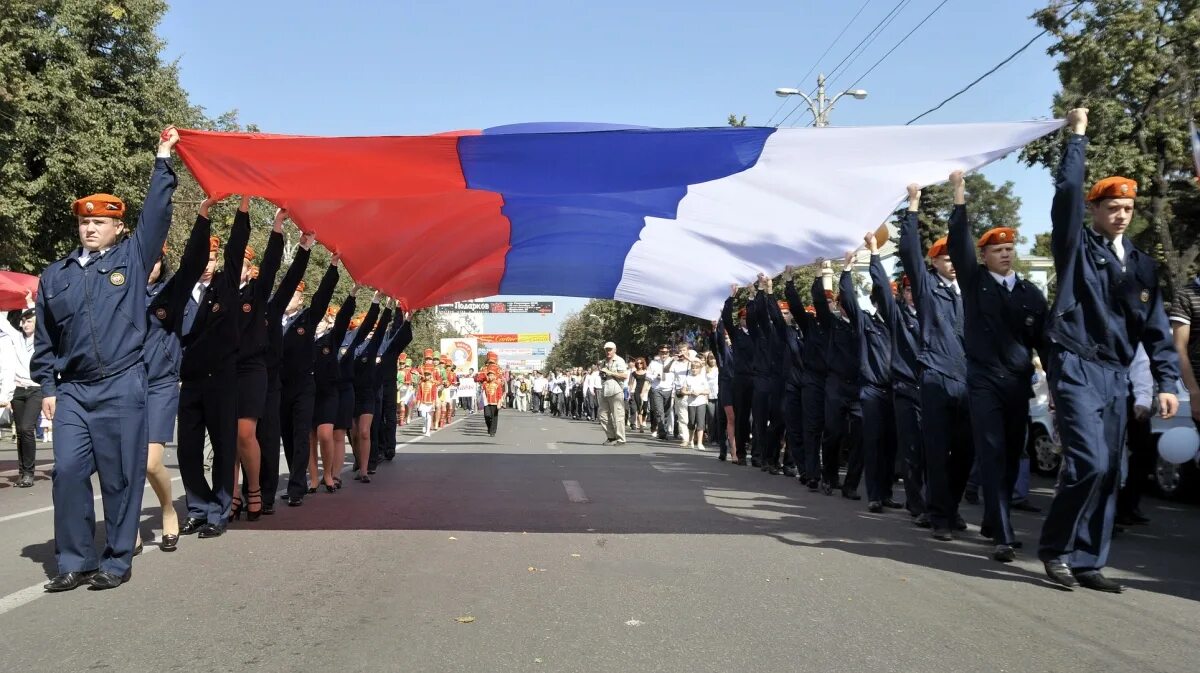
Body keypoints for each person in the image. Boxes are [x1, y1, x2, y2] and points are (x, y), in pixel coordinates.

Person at [32, 127, 179, 592]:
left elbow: (156, 216)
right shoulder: (54, 276)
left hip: (121, 383)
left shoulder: (132, 261)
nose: (90, 228)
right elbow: (45, 341)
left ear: (118, 227)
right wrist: (49, 388)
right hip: (74, 389)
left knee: (120, 477)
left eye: (99, 222)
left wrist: (162, 160)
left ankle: (116, 559)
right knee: (69, 472)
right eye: (84, 222)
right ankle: (74, 560)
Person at [1038, 108, 1179, 593]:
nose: (1120, 215)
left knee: (1111, 471)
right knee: (1088, 462)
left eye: (1127, 208)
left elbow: (1157, 329)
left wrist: (1165, 382)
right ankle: (1055, 549)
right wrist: (1076, 138)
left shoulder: (1141, 265)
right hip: (1075, 361)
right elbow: (1066, 198)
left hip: (1115, 373)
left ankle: (1087, 560)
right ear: (1096, 211)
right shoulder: (1078, 247)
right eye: (1111, 207)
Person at [942, 170, 1049, 562]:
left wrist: (1055, 386)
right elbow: (957, 245)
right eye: (997, 249)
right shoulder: (975, 283)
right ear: (984, 256)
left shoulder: (1029, 292)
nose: (1005, 253)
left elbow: (1044, 340)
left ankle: (992, 520)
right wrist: (959, 197)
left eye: (1009, 249)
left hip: (1017, 383)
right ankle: (1003, 533)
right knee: (991, 452)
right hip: (984, 379)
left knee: (1012, 451)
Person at [897, 187, 973, 541]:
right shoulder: (928, 288)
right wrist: (912, 208)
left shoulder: (971, 290)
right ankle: (939, 516)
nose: (952, 263)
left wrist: (960, 200)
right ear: (935, 263)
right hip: (936, 377)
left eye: (954, 257)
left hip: (968, 381)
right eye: (945, 259)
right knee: (938, 452)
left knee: (966, 453)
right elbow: (909, 251)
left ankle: (949, 507)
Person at [176, 196, 249, 541]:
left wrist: (244, 207)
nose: (206, 263)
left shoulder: (226, 286)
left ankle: (219, 509)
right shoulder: (179, 290)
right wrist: (202, 213)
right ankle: (197, 507)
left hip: (221, 379)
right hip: (189, 381)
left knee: (223, 447)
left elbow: (237, 249)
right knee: (188, 449)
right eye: (202, 256)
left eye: (212, 257)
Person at [138, 215, 211, 552]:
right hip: (123, 385)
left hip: (160, 385)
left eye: (156, 259)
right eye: (145, 258)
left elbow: (194, 263)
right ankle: (128, 529)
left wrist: (202, 217)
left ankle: (168, 508)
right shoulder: (120, 291)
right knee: (124, 464)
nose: (150, 265)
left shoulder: (172, 292)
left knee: (151, 462)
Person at [253, 213, 311, 514]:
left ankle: (265, 495)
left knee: (268, 437)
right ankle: (245, 492)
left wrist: (299, 245)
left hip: (272, 383)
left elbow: (283, 275)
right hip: (241, 381)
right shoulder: (237, 307)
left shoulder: (272, 307)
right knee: (242, 441)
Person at [231, 210, 283, 523]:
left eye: (243, 265)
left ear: (250, 271)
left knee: (245, 432)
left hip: (252, 371)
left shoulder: (257, 295)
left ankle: (254, 489)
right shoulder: (216, 294)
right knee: (228, 436)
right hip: (223, 371)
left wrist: (276, 230)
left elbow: (274, 266)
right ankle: (231, 493)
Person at [278, 252, 339, 506]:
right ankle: (296, 477)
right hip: (279, 385)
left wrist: (333, 268)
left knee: (302, 434)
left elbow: (322, 297)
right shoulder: (272, 317)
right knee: (288, 436)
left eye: (294, 294)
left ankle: (296, 488)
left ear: (300, 298)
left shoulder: (306, 319)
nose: (289, 298)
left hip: (304, 384)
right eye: (287, 292)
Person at [846, 240, 902, 513]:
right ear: (875, 302)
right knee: (873, 444)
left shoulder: (900, 325)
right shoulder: (866, 322)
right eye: (883, 298)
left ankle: (887, 492)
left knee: (891, 445)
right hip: (871, 390)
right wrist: (845, 273)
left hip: (896, 390)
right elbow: (847, 301)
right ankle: (875, 495)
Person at [814, 260, 864, 499]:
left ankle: (851, 484)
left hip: (858, 386)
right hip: (835, 384)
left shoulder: (863, 325)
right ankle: (829, 475)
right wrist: (819, 276)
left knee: (860, 436)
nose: (845, 308)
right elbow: (819, 304)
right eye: (843, 304)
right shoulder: (832, 324)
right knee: (833, 432)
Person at [310, 292, 356, 493]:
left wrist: (352, 296)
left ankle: (328, 474)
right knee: (309, 437)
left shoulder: (332, 338)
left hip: (329, 392)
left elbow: (344, 318)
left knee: (325, 434)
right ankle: (313, 478)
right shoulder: (302, 334)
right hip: (307, 391)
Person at [1, 294, 39, 488]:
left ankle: (29, 473)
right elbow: (3, 323)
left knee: (26, 429)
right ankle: (23, 472)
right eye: (23, 321)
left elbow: (40, 315)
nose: (25, 324)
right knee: (21, 433)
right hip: (17, 390)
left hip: (35, 390)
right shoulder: (16, 338)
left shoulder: (41, 340)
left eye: (29, 321)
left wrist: (30, 303)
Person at [598, 341, 629, 445]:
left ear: (614, 350)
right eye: (606, 350)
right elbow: (602, 375)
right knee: (602, 415)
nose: (608, 352)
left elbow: (624, 376)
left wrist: (610, 372)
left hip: (616, 391)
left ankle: (621, 439)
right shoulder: (603, 362)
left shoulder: (619, 360)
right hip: (605, 389)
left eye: (610, 350)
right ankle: (611, 436)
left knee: (618, 416)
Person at [681, 358, 711, 450]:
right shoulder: (687, 378)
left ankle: (700, 442)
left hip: (701, 403)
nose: (694, 369)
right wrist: (690, 393)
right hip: (691, 403)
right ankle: (691, 440)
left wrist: (700, 392)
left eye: (696, 368)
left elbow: (708, 391)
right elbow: (683, 391)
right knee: (691, 422)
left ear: (700, 369)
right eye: (693, 368)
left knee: (700, 423)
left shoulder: (703, 378)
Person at [481, 369, 504, 436]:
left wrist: (499, 402)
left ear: (494, 376)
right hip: (487, 403)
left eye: (491, 375)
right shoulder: (485, 384)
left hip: (495, 403)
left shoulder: (497, 383)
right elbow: (483, 392)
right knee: (487, 416)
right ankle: (489, 427)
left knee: (494, 417)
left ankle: (492, 431)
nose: (490, 377)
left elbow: (500, 394)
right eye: (489, 375)